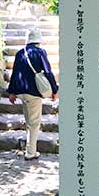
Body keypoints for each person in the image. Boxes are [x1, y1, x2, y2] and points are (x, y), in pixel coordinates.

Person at [7, 27, 59, 160]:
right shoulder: (40, 52)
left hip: (21, 92)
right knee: (34, 123)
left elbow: (15, 73)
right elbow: (48, 72)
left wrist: (11, 92)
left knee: (29, 122)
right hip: (33, 93)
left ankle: (30, 149)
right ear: (38, 41)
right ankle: (30, 153)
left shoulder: (20, 53)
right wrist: (54, 90)